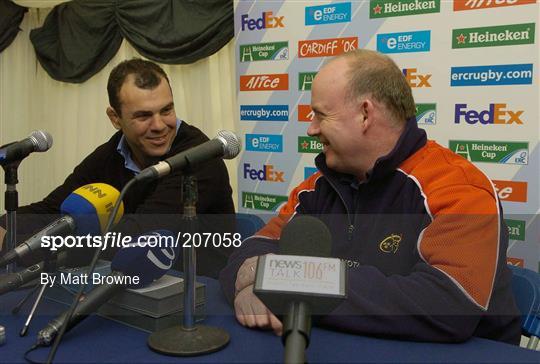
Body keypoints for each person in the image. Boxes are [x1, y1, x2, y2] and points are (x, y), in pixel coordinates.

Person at [219, 50, 521, 343]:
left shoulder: (459, 188)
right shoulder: (317, 187)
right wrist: (247, 286)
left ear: (365, 114)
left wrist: (285, 283)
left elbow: (449, 304)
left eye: (320, 115)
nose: (311, 129)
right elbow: (251, 253)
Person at [0, 58, 235, 278]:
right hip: (124, 284)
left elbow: (132, 238)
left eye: (166, 110)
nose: (159, 125)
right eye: (143, 116)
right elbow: (55, 210)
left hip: (195, 292)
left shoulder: (200, 158)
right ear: (115, 118)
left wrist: (13, 244)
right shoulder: (109, 154)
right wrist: (3, 225)